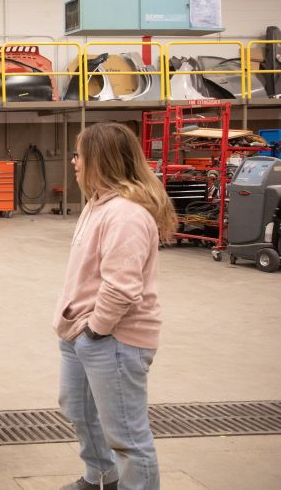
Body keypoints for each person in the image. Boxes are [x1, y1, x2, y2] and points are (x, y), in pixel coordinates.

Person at [54, 122, 176, 490]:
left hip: (115, 339)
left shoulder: (126, 214)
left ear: (100, 160)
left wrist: (95, 332)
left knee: (128, 436)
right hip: (82, 333)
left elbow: (122, 287)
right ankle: (101, 478)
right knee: (80, 412)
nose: (74, 161)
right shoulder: (97, 205)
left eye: (80, 154)